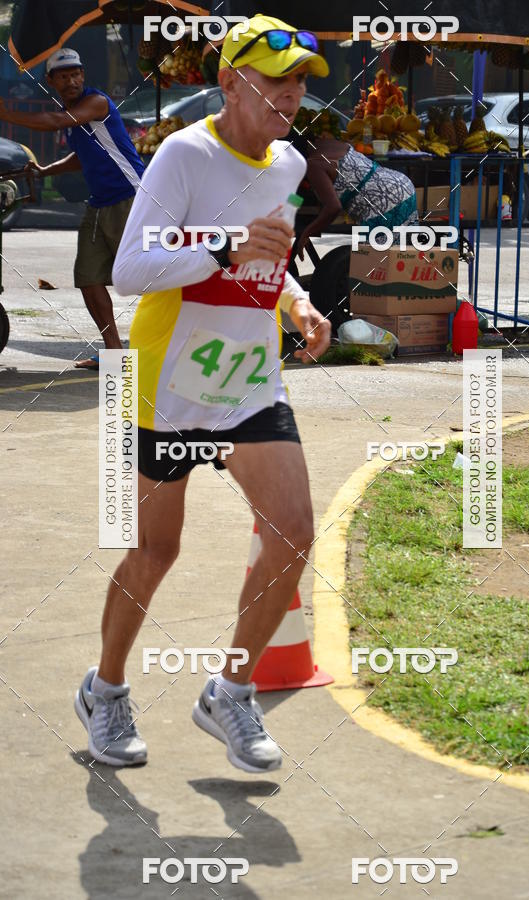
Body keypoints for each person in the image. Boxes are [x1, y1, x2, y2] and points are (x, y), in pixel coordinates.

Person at [74, 14, 331, 772]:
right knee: (157, 549)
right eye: (274, 78)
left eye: (298, 82)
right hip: (172, 381)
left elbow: (268, 257)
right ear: (229, 81)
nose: (288, 95)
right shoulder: (185, 154)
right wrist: (219, 246)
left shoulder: (285, 163)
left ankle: (230, 692)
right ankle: (106, 691)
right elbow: (131, 270)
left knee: (293, 531)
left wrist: (295, 301)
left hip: (250, 377)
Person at [0, 48, 145, 367]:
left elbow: (54, 121)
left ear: (83, 75)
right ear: (51, 81)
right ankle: (115, 351)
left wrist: (7, 114)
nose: (72, 80)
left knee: (147, 277)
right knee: (88, 276)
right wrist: (46, 170)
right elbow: (82, 156)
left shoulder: (96, 102)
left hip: (130, 197)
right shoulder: (72, 112)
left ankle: (176, 342)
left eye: (76, 73)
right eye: (63, 76)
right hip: (99, 202)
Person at [291, 133, 418, 259]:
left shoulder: (313, 164)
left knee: (372, 261)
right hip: (402, 184)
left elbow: (333, 207)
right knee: (403, 254)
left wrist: (307, 233)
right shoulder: (333, 143)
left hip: (382, 200)